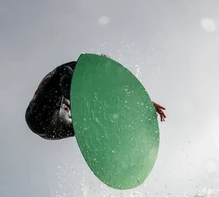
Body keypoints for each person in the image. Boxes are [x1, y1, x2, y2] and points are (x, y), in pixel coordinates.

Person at [26, 58, 166, 140]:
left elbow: (114, 91)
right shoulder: (76, 68)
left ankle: (115, 138)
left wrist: (142, 103)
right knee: (65, 74)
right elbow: (110, 87)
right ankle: (81, 105)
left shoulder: (90, 82)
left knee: (96, 122)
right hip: (38, 116)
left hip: (58, 126)